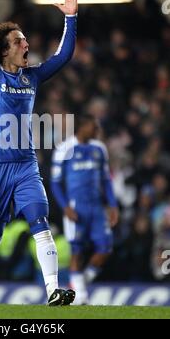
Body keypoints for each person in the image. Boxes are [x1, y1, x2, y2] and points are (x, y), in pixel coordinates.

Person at [0, 0, 78, 306]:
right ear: (4, 51)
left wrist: (71, 18)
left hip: (25, 165)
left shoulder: (32, 76)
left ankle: (52, 291)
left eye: (25, 40)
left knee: (40, 220)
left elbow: (63, 57)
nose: (26, 44)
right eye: (18, 41)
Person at [51, 115, 119, 304]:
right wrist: (65, 207)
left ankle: (78, 284)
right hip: (76, 207)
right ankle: (80, 297)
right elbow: (55, 183)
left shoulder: (99, 149)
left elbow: (106, 180)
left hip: (97, 207)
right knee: (77, 251)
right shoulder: (64, 149)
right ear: (81, 127)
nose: (96, 130)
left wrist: (112, 204)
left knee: (105, 248)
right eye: (92, 127)